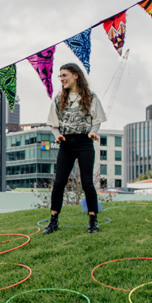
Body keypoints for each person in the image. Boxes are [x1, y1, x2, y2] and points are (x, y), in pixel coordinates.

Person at [44, 63, 106, 235]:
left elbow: (96, 121)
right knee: (59, 183)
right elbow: (53, 122)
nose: (62, 79)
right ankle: (53, 221)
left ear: (76, 75)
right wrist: (57, 135)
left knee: (87, 183)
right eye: (60, 76)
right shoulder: (58, 99)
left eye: (64, 75)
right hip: (66, 144)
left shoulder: (91, 97)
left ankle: (93, 221)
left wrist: (93, 133)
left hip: (85, 143)